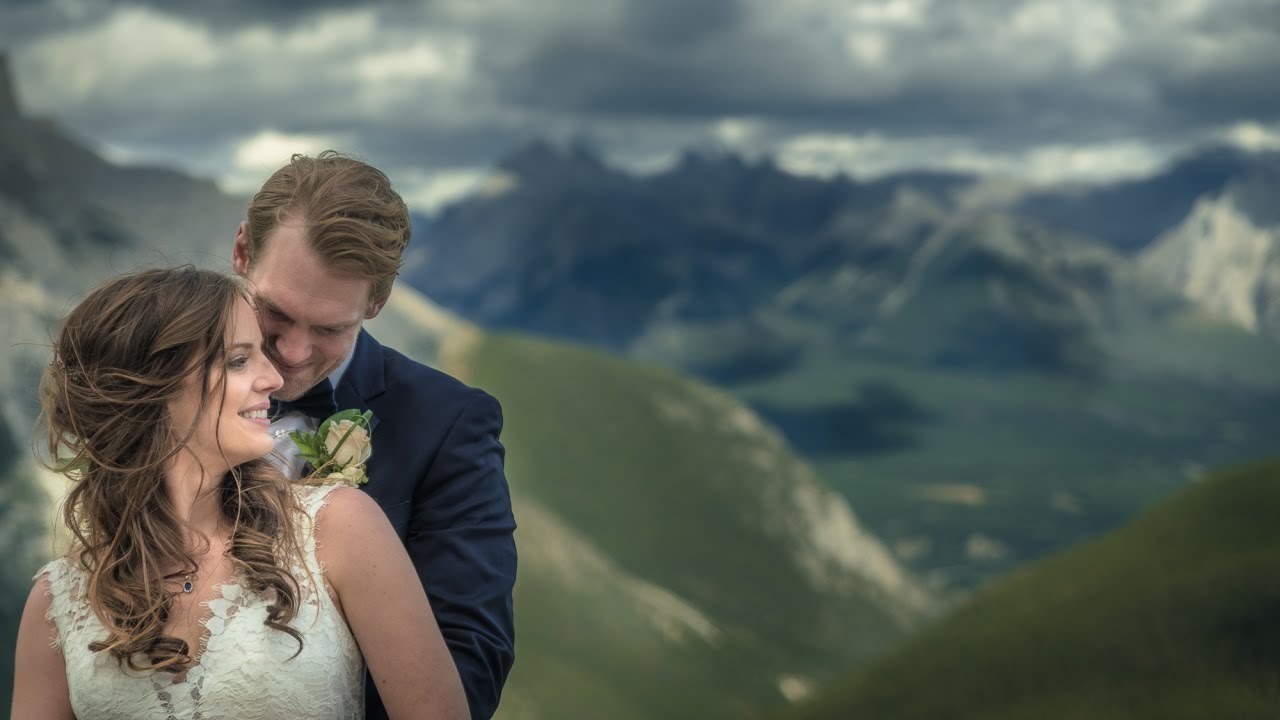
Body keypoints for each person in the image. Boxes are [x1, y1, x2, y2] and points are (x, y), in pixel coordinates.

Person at [12, 266, 470, 719]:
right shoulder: (59, 601)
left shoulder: (339, 527)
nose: (274, 379)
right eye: (238, 360)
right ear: (157, 388)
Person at [231, 151, 517, 720]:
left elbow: (470, 660)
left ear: (379, 303)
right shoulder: (166, 388)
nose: (291, 353)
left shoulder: (449, 424)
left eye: (331, 328)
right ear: (242, 252)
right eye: (276, 313)